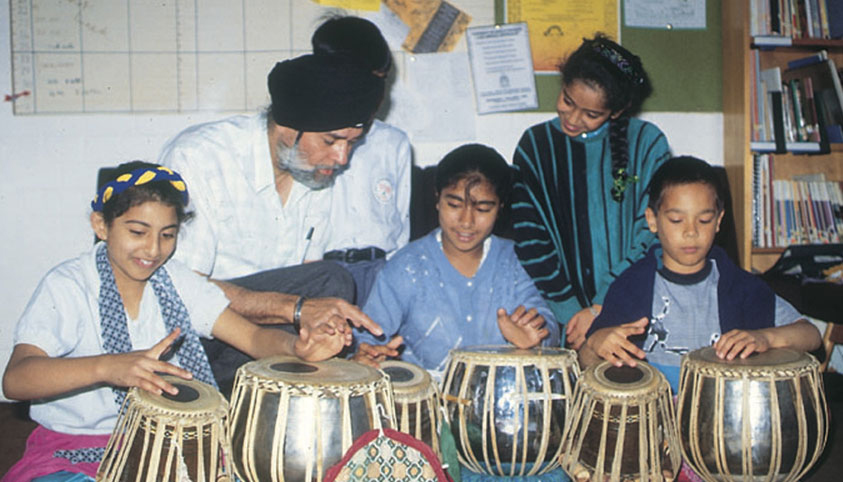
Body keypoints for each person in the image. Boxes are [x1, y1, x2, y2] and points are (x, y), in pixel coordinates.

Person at [1, 162, 346, 482]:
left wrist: (296, 347)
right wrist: (106, 367)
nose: (153, 249)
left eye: (167, 235)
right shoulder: (68, 287)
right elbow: (16, 380)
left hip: (172, 443)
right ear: (101, 226)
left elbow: (254, 340)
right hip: (73, 449)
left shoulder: (177, 281)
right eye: (138, 231)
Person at [158, 53, 386, 395]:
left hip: (266, 340)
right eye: (331, 141)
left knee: (333, 283)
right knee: (332, 281)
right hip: (195, 336)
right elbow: (179, 289)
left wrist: (342, 342)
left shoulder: (316, 171)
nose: (342, 158)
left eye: (352, 143)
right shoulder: (200, 157)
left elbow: (310, 278)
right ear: (287, 127)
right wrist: (295, 310)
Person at [580, 156, 821, 393]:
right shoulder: (630, 286)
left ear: (718, 221)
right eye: (676, 220)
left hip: (720, 417)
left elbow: (811, 335)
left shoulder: (739, 285)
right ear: (652, 220)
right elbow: (587, 362)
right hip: (649, 421)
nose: (691, 232)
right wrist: (595, 343)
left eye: (704, 220)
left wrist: (765, 338)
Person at [510, 34, 671, 349]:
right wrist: (574, 316)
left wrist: (600, 307)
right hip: (559, 316)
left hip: (635, 305)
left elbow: (651, 233)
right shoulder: (534, 146)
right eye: (568, 101)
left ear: (617, 110)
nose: (572, 118)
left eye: (591, 114)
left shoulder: (648, 143)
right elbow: (531, 240)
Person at [352, 144, 560, 374]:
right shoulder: (406, 266)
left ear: (500, 208)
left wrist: (534, 339)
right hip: (426, 402)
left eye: (482, 209)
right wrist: (368, 353)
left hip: (501, 399)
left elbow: (546, 325)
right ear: (437, 199)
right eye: (454, 205)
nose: (466, 221)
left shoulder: (516, 261)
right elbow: (367, 337)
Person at [312, 15, 413, 307]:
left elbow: (400, 228)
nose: (377, 94)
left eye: (381, 81)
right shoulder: (310, 140)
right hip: (322, 275)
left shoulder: (394, 143)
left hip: (381, 272)